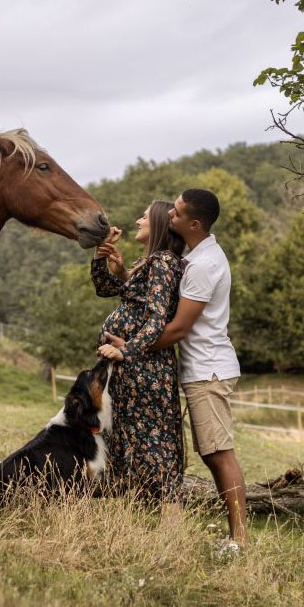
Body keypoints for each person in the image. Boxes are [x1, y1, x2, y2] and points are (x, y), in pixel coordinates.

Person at [110, 188, 248, 547]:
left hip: (208, 369)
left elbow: (178, 327)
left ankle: (240, 539)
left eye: (177, 212)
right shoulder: (193, 254)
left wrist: (130, 348)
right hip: (197, 367)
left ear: (194, 223)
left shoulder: (204, 265)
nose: (169, 214)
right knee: (209, 451)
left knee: (217, 453)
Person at [92, 201, 185, 504]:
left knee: (154, 446)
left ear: (157, 224)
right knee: (129, 439)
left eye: (143, 217)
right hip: (134, 367)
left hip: (146, 367)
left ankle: (170, 518)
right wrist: (102, 259)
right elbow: (105, 289)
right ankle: (136, 509)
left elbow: (158, 318)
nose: (137, 221)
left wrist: (126, 351)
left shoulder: (162, 262)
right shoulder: (150, 263)